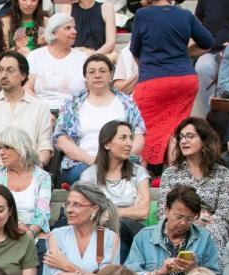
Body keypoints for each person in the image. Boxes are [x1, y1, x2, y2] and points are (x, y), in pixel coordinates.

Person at [129, 0, 213, 168]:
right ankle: (174, 180)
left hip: (153, 81)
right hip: (184, 80)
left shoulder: (142, 14)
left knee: (143, 129)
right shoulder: (185, 15)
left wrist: (147, 68)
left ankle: (140, 179)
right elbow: (208, 42)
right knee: (175, 129)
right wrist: (185, 52)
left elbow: (134, 50)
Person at [54, 55, 147, 185]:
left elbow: (139, 136)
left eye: (102, 71)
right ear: (85, 77)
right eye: (92, 72)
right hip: (83, 163)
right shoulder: (72, 103)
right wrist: (92, 160)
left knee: (134, 175)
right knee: (89, 176)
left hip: (123, 161)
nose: (97, 75)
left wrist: (120, 159)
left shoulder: (127, 102)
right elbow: (61, 139)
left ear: (110, 75)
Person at [157, 118, 229, 253]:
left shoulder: (222, 174)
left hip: (212, 226)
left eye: (190, 136)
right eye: (181, 137)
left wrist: (203, 221)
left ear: (204, 141)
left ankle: (212, 273)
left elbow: (227, 212)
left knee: (211, 233)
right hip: (178, 224)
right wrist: (187, 221)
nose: (183, 141)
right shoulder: (170, 174)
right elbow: (162, 211)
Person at [0, 50, 53, 180]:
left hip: (28, 167)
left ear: (23, 75)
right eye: (0, 70)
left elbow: (45, 147)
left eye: (10, 70)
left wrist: (32, 167)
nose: (3, 75)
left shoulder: (40, 108)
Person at [79, 121, 150, 251]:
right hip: (98, 232)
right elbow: (86, 212)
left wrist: (110, 213)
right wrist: (130, 211)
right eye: (123, 138)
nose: (129, 143)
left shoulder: (138, 172)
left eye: (131, 138)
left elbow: (143, 211)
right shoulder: (89, 176)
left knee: (119, 230)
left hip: (131, 233)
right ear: (107, 144)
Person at [0, 126, 52, 241]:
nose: (1, 153)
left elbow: (43, 213)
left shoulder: (42, 177)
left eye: (7, 147)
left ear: (21, 149)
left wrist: (31, 233)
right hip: (3, 232)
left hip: (33, 233)